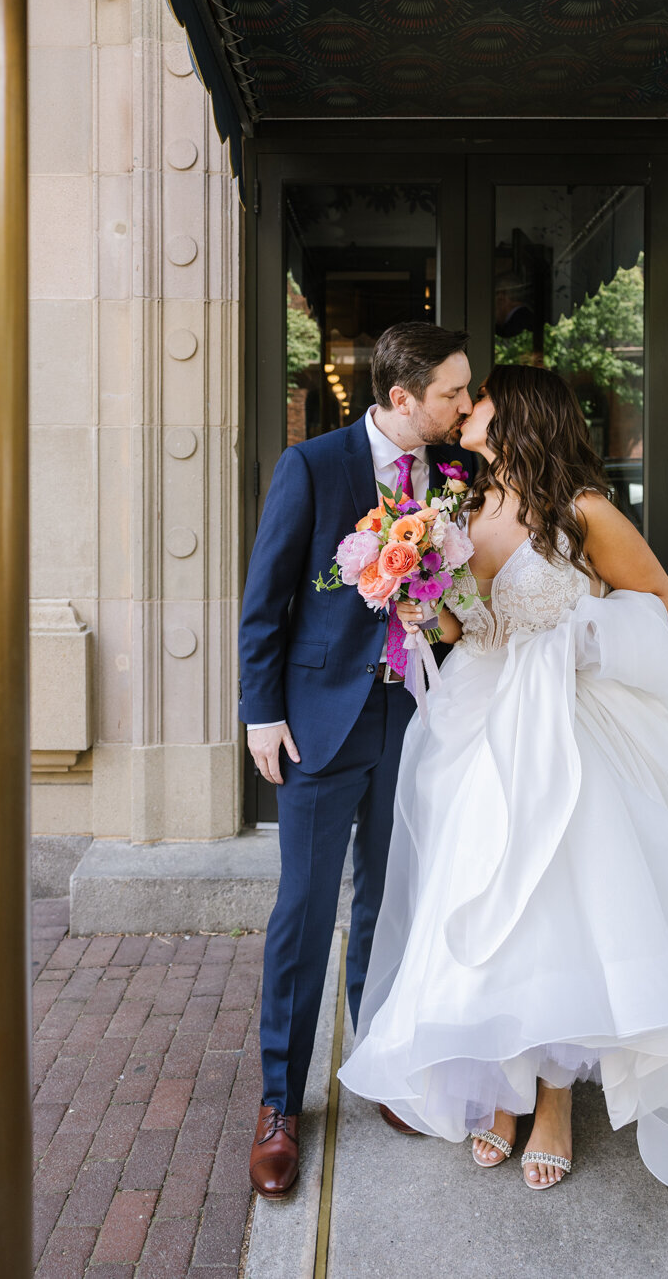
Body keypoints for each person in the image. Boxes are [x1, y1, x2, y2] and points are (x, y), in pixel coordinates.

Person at [338, 365, 668, 1274]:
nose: (467, 413)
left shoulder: (583, 512)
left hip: (567, 738)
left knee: (557, 914)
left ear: (519, 415)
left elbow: (662, 603)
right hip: (481, 732)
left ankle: (551, 1103)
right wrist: (418, 597)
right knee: (485, 909)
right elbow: (469, 624)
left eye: (481, 402)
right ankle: (498, 1089)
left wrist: (580, 639)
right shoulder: (461, 508)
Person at [239, 321, 474, 1200]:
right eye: (451, 392)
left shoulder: (446, 475)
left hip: (407, 718)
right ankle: (277, 1103)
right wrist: (260, 711)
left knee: (387, 904)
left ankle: (380, 1070)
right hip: (317, 724)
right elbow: (265, 600)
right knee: (303, 914)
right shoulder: (313, 465)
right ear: (403, 397)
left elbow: (447, 594)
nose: (463, 405)